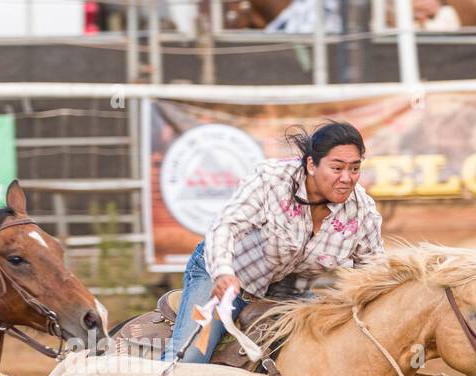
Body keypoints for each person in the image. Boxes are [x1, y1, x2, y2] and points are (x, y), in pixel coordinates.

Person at [162, 120, 384, 363]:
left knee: (321, 359)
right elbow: (226, 225)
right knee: (190, 357)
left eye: (354, 169)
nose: (347, 178)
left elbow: (374, 273)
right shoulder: (272, 180)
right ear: (311, 164)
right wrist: (223, 272)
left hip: (289, 295)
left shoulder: (362, 211)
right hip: (227, 277)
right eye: (337, 168)